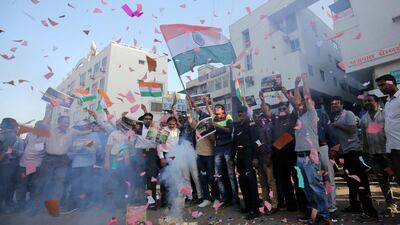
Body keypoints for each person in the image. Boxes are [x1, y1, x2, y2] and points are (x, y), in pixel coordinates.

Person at [285, 75, 331, 224]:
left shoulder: (312, 114)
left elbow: (306, 96)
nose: (300, 104)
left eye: (303, 102)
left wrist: (304, 82)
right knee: (307, 188)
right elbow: (295, 100)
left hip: (311, 156)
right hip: (300, 157)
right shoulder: (299, 116)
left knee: (316, 187)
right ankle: (312, 213)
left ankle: (324, 216)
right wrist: (295, 84)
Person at [330, 96, 379, 222]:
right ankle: (355, 206)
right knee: (351, 182)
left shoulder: (348, 114)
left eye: (336, 103)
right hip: (345, 154)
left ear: (342, 104)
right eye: (332, 104)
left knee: (361, 183)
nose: (334, 105)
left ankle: (370, 211)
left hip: (354, 152)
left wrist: (338, 125)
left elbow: (352, 130)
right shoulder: (336, 117)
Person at [360, 94, 398, 214]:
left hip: (389, 154)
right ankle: (391, 205)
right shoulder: (363, 119)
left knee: (398, 178)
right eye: (365, 101)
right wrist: (365, 153)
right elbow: (364, 139)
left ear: (377, 101)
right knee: (383, 182)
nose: (367, 103)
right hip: (374, 155)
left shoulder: (385, 114)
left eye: (369, 100)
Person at [205, 97, 239, 208]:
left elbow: (229, 131)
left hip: (228, 147)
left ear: (223, 110)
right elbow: (209, 112)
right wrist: (206, 103)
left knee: (231, 174)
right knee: (218, 175)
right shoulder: (214, 118)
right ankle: (225, 198)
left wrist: (216, 126)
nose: (216, 109)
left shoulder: (228, 117)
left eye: (218, 108)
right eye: (215, 108)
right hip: (218, 148)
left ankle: (235, 199)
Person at [187, 95, 219, 208]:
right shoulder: (197, 127)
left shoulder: (211, 128)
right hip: (199, 156)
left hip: (209, 156)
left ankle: (216, 198)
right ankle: (206, 198)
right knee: (203, 178)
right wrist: (190, 106)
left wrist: (210, 132)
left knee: (211, 178)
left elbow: (214, 140)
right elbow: (190, 119)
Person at [38, 109, 73, 214]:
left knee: (59, 183)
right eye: (64, 122)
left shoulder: (70, 133)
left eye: (68, 123)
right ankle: (40, 205)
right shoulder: (50, 130)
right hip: (49, 159)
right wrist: (52, 108)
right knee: (45, 182)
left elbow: (71, 147)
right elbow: (44, 123)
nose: (66, 124)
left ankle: (55, 207)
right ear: (59, 123)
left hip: (62, 160)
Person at [233, 106, 260, 220]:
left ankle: (255, 209)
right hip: (240, 155)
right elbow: (234, 142)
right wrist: (231, 158)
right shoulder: (237, 125)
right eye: (239, 112)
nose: (240, 114)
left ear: (246, 113)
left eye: (242, 112)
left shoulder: (251, 124)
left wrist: (255, 157)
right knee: (242, 181)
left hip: (249, 154)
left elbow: (257, 141)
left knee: (251, 182)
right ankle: (248, 207)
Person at [251, 100, 278, 214]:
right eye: (254, 117)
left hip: (267, 159)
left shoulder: (267, 127)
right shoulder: (253, 129)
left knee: (271, 182)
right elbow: (255, 145)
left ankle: (274, 204)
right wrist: (255, 158)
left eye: (258, 116)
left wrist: (269, 157)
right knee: (263, 184)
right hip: (259, 160)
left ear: (261, 117)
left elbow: (270, 143)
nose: (256, 119)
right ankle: (266, 204)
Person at [67, 120, 100, 210]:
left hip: (89, 163)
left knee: (86, 184)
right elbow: (73, 147)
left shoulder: (94, 134)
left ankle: (83, 204)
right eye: (83, 125)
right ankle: (72, 204)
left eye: (86, 125)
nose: (85, 126)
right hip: (76, 163)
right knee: (75, 184)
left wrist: (83, 146)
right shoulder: (77, 135)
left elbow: (97, 145)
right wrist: (84, 145)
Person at [15, 120, 47, 213]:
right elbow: (25, 146)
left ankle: (32, 207)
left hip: (34, 164)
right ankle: (22, 206)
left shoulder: (45, 138)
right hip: (26, 163)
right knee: (23, 186)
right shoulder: (30, 135)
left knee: (33, 186)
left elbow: (45, 151)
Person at [375, 74, 400, 185]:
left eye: (382, 85)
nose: (381, 88)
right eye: (379, 86)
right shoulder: (388, 102)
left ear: (391, 83)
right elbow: (389, 127)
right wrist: (388, 149)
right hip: (394, 149)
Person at [315, 99, 337, 215]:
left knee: (328, 178)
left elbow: (329, 129)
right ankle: (323, 205)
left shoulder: (320, 113)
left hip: (323, 147)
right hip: (311, 151)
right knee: (317, 180)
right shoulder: (301, 116)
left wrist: (334, 147)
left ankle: (332, 206)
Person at [134, 112, 159, 210]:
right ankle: (142, 201)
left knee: (151, 178)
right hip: (139, 154)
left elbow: (160, 142)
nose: (148, 120)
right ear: (143, 120)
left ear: (152, 120)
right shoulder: (138, 129)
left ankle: (151, 202)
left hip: (151, 154)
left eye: (150, 119)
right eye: (146, 118)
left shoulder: (154, 130)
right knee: (140, 178)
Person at [0, 118, 24, 213]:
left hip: (12, 164)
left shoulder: (19, 140)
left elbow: (21, 152)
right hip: (4, 164)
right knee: (4, 185)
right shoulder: (8, 136)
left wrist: (13, 151)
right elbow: (4, 150)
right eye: (16, 126)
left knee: (10, 185)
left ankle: (8, 202)